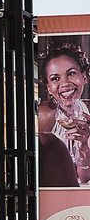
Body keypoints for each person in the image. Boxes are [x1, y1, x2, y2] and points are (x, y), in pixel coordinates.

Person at [39, 43, 90, 185]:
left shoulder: (83, 109)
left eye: (71, 73)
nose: (65, 83)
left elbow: (84, 177)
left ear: (84, 77)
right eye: (55, 78)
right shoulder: (45, 115)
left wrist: (84, 145)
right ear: (49, 88)